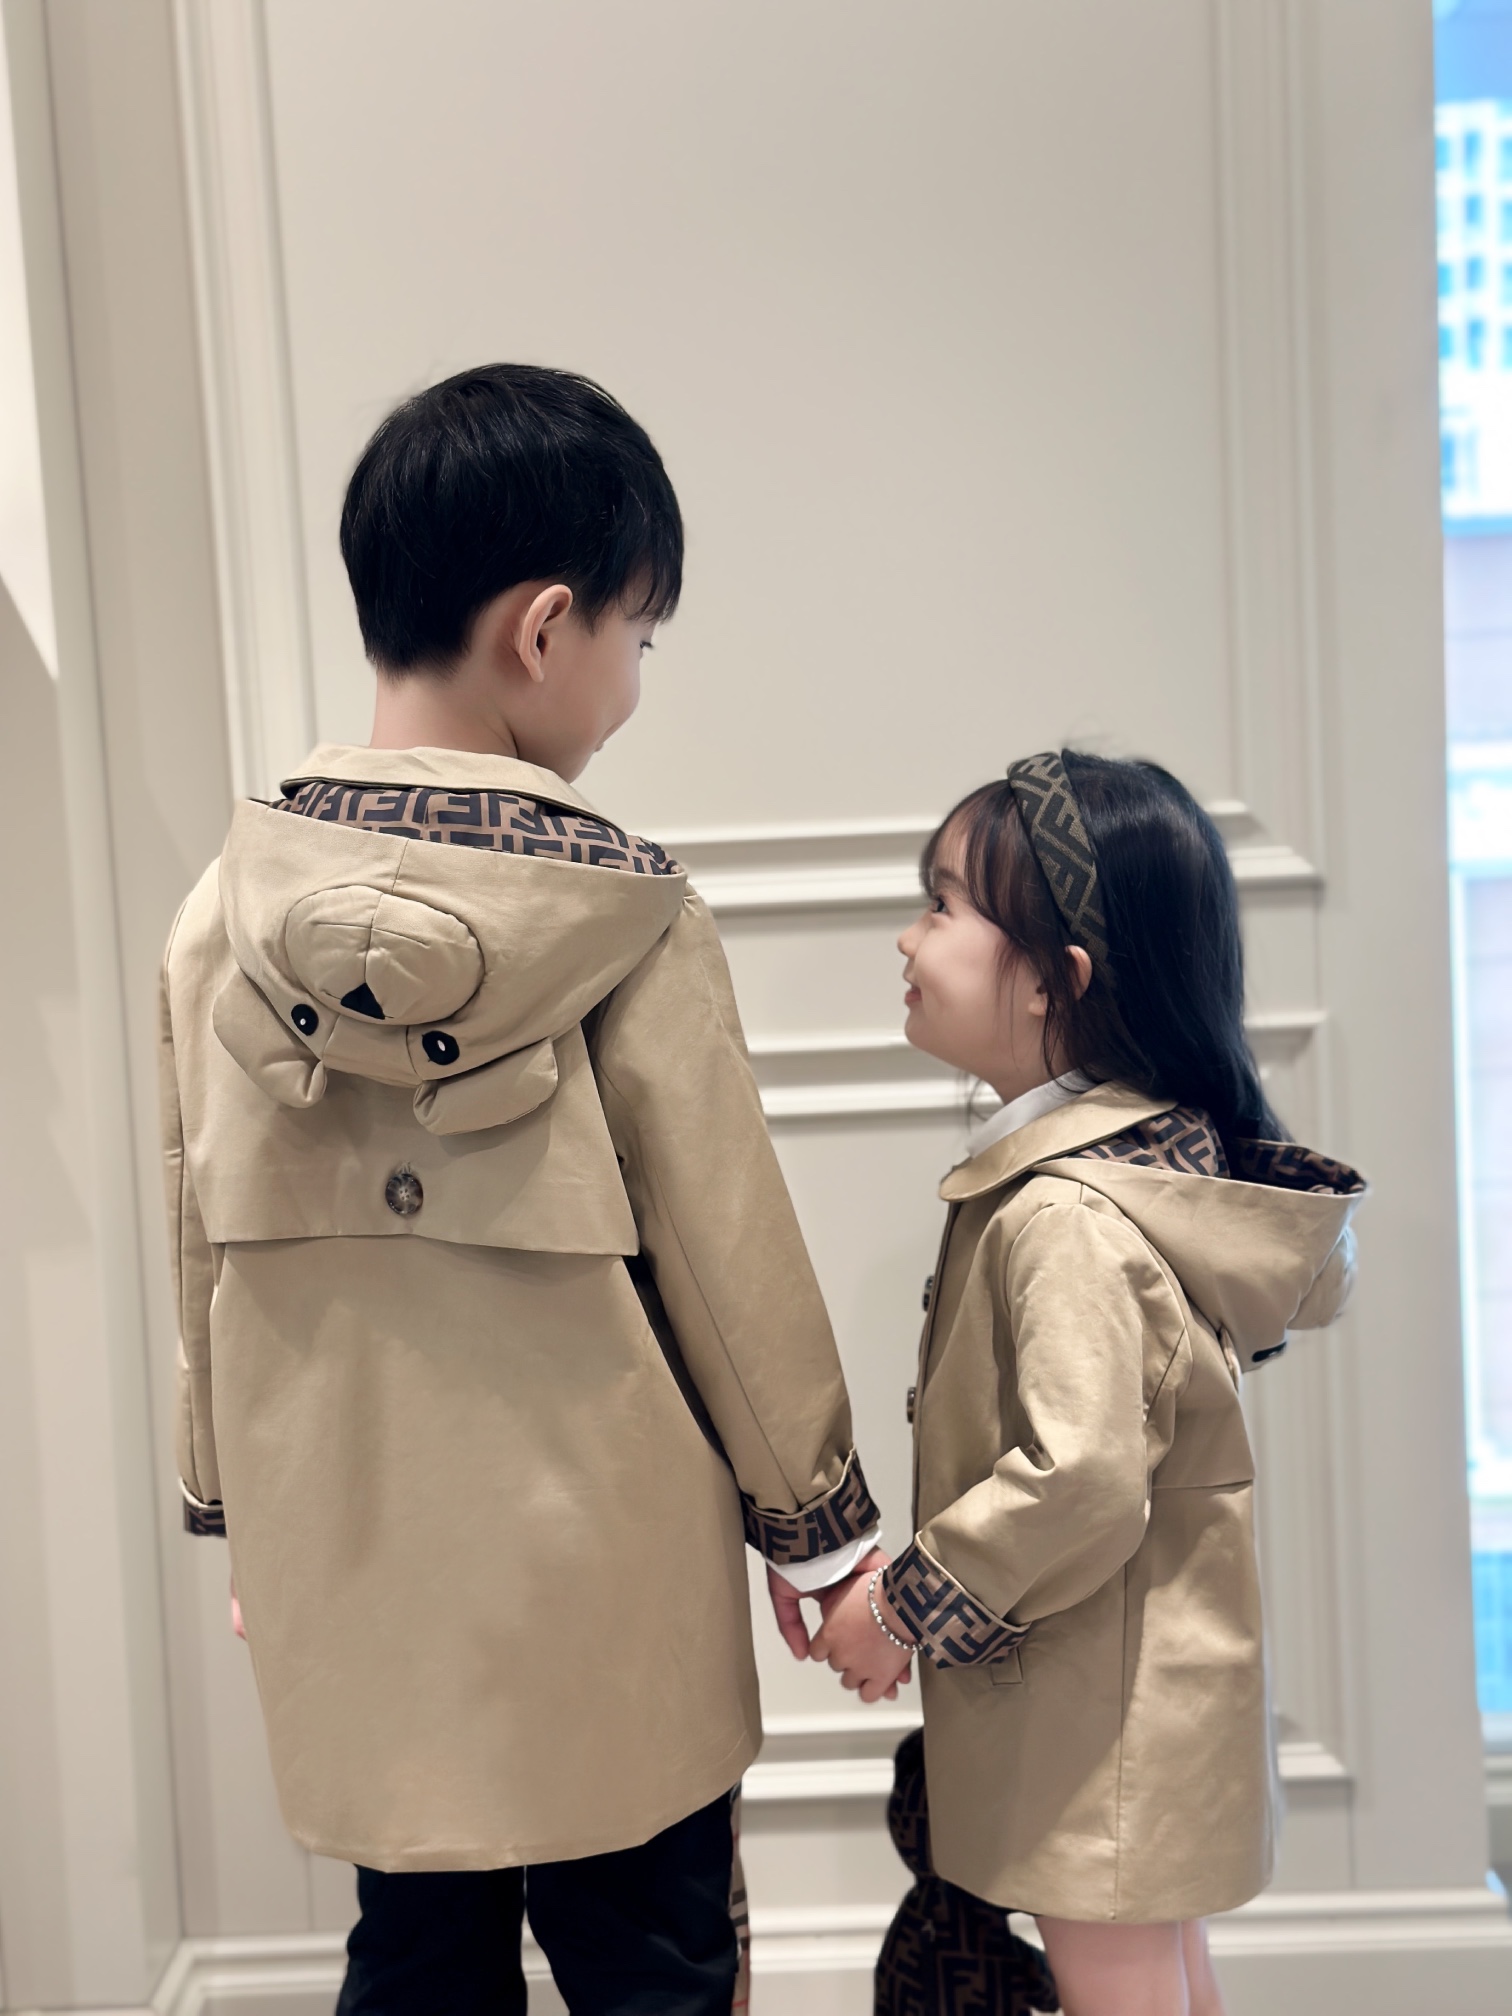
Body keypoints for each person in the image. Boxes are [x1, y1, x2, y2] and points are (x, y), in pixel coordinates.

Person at [158, 363, 891, 2016]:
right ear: (547, 629)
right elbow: (731, 1269)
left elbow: (203, 1255)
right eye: (640, 635)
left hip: (355, 1569)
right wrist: (823, 1537)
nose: (631, 682)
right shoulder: (629, 920)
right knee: (655, 1970)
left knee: (414, 1960)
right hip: (606, 1601)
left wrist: (241, 1507)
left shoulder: (218, 918)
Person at [810, 752, 1366, 2016]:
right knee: (1164, 1977)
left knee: (1124, 1986)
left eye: (944, 904)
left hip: (1096, 1723)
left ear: (1057, 981)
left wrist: (900, 1606)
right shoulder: (1129, 1180)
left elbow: (1081, 1477)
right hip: (1142, 1695)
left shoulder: (1065, 1214)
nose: (909, 937)